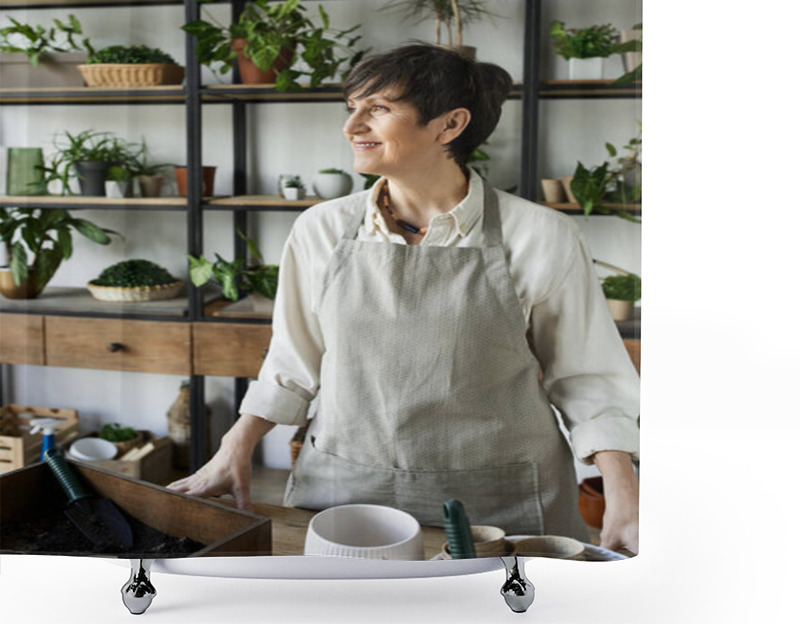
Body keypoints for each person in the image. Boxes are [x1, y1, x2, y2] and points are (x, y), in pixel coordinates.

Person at [168, 43, 640, 553]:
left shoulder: (540, 235)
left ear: (449, 125)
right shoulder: (320, 230)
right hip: (345, 491)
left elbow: (588, 376)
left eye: (378, 109)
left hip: (501, 501)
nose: (352, 128)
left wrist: (623, 489)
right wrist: (234, 444)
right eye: (352, 108)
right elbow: (293, 360)